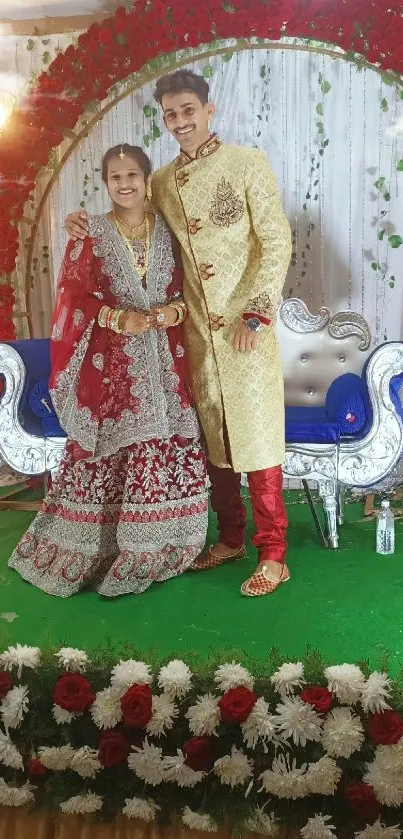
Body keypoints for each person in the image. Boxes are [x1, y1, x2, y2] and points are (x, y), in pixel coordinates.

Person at [65, 70, 292, 598]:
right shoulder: (162, 180)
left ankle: (274, 553)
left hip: (246, 332)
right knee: (212, 438)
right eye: (170, 114)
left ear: (208, 109)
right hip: (194, 337)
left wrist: (256, 313)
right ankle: (231, 538)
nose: (180, 121)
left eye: (188, 110)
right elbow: (132, 219)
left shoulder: (246, 163)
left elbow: (276, 240)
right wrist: (82, 222)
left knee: (256, 439)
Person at [9, 143, 208, 597]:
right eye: (115, 178)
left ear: (146, 178)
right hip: (115, 366)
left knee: (167, 438)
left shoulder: (171, 232)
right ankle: (102, 547)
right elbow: (75, 296)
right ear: (105, 184)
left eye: (132, 175)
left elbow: (191, 293)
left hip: (165, 361)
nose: (124, 184)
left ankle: (166, 541)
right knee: (116, 443)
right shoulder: (91, 233)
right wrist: (119, 318)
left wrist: (170, 315)